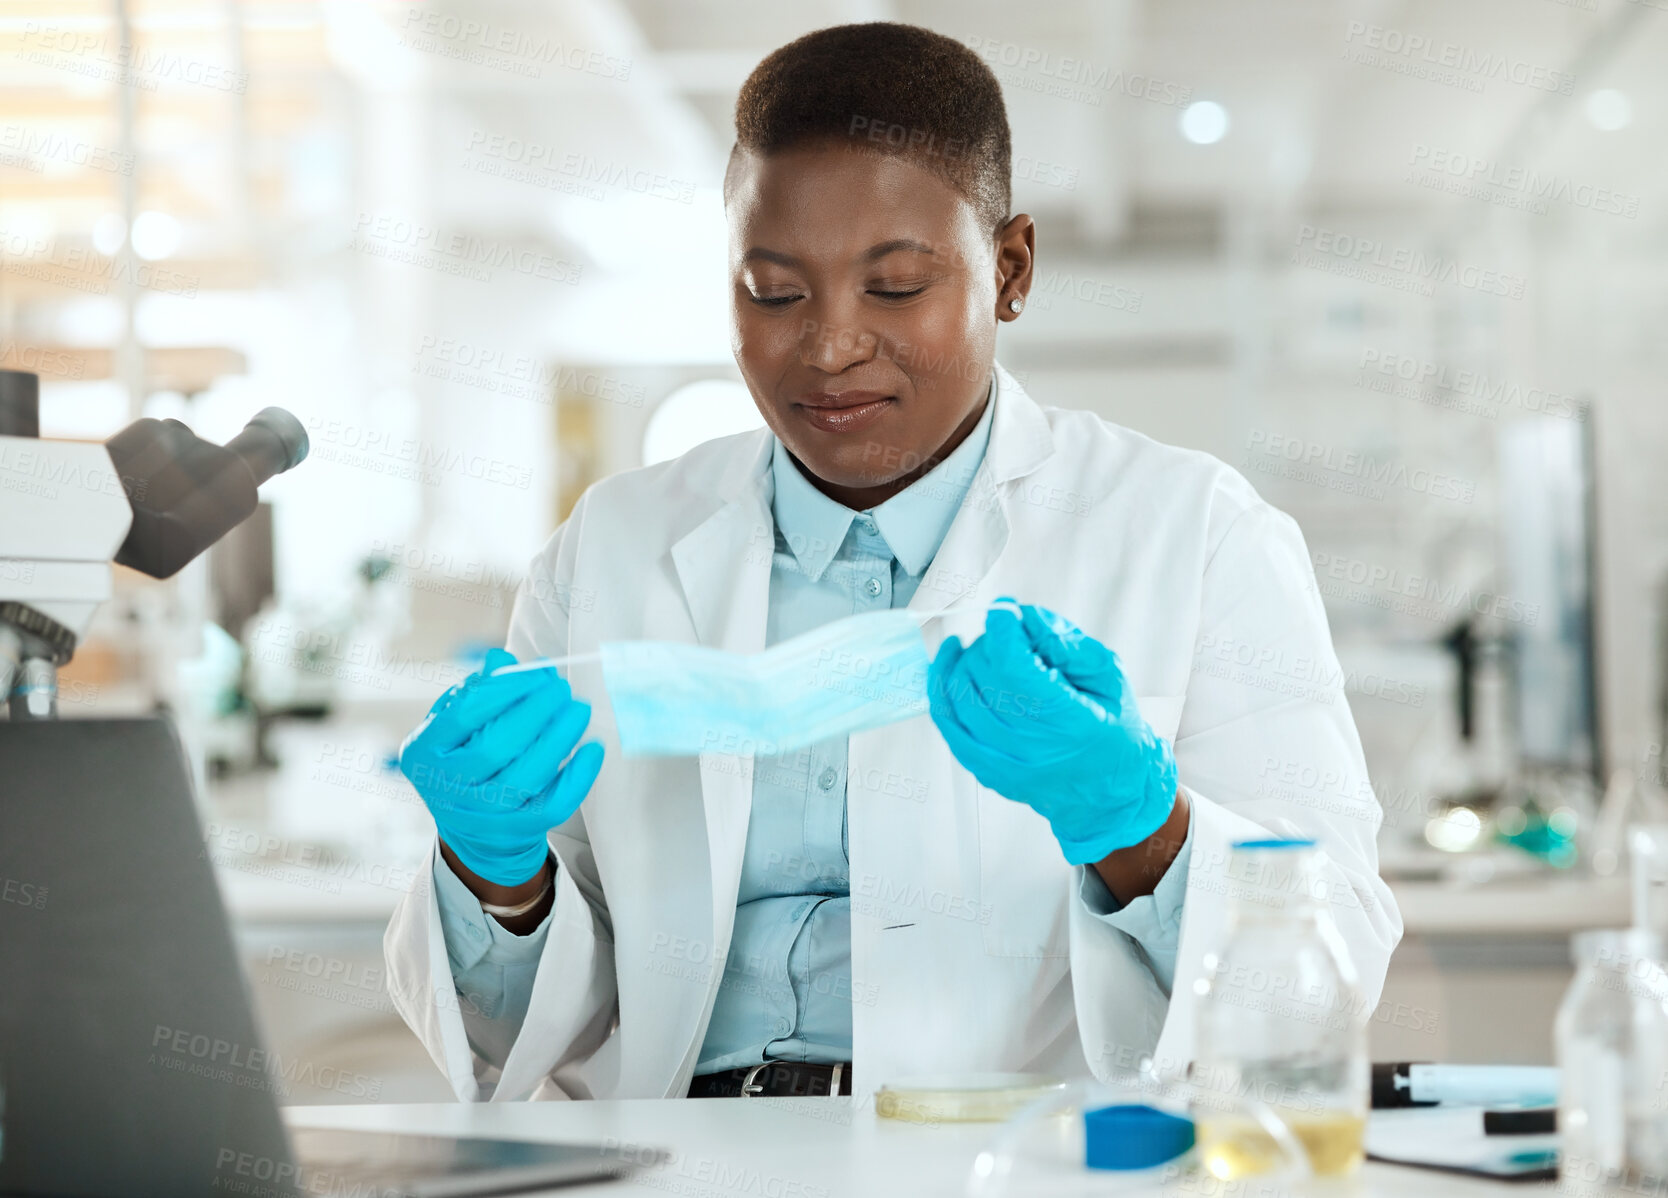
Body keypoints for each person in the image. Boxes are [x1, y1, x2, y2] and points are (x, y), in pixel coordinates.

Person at [384, 21, 1401, 1103]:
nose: (827, 346)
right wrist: (494, 876)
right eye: (773, 294)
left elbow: (1328, 974)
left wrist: (1142, 826)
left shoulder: (1193, 531)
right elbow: (526, 1034)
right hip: (680, 1157)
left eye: (896, 286)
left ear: (1009, 270)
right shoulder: (613, 547)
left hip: (1023, 1157)